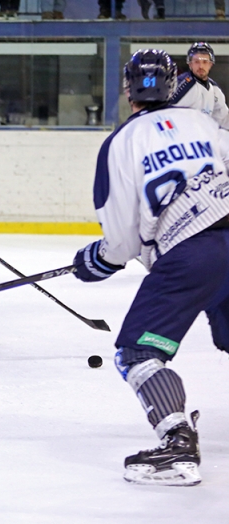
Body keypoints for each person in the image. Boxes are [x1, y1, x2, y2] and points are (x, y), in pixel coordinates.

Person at [72, 49, 229, 486]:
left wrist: (95, 262)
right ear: (172, 82)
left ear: (128, 89)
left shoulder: (121, 143)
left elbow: (120, 242)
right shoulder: (205, 123)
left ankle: (177, 444)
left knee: (138, 352)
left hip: (190, 256)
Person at [170, 42, 229, 130]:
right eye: (197, 62)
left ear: (211, 64)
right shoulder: (183, 84)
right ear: (190, 64)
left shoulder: (215, 89)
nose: (201, 66)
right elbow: (166, 112)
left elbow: (223, 119)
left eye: (205, 62)